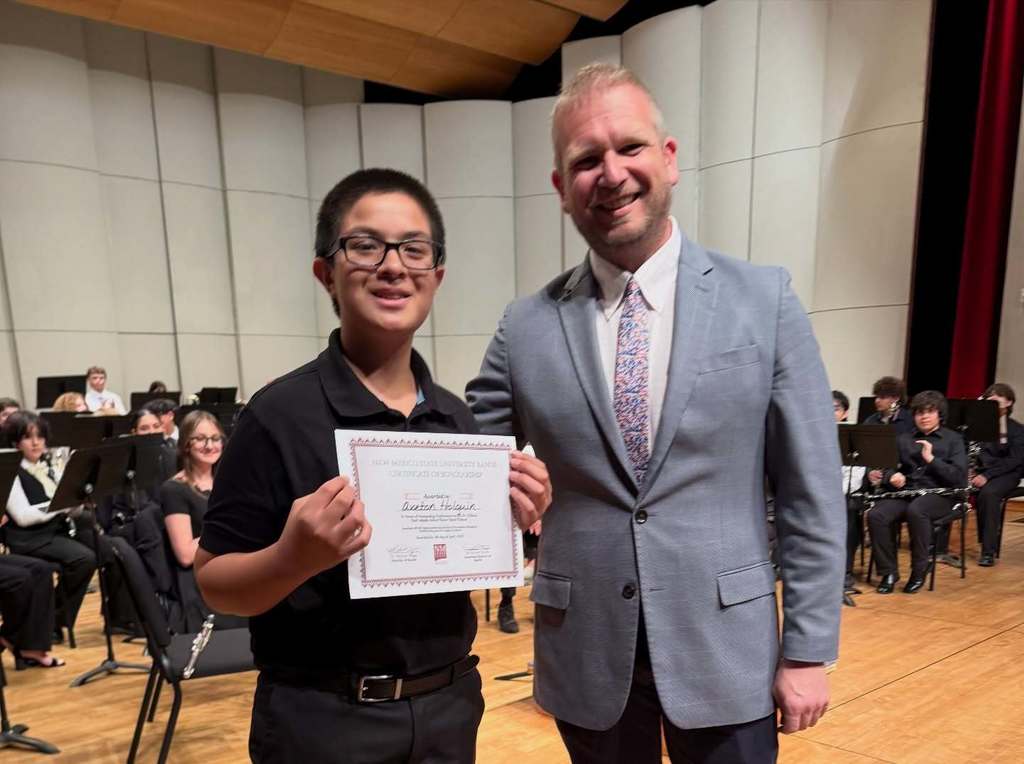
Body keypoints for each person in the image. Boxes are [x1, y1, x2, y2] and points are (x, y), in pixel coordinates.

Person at [466, 64, 844, 763]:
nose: (610, 174)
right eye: (585, 160)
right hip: (586, 651)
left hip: (729, 650)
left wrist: (809, 649)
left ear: (668, 159)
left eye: (629, 147)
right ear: (561, 188)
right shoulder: (524, 327)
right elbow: (467, 460)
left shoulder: (765, 299)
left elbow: (812, 492)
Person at [193, 169, 552, 763]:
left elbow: (461, 563)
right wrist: (292, 559)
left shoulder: (459, 424)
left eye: (414, 249)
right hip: (324, 720)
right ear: (325, 271)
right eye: (365, 245)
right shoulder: (277, 415)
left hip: (450, 708)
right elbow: (214, 581)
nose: (393, 265)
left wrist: (521, 520)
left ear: (436, 276)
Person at [1, 411, 96, 637]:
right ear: (16, 442)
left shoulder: (48, 464)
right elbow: (23, 517)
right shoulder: (11, 470)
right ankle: (54, 620)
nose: (36, 442)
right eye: (28, 437)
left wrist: (77, 501)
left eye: (40, 436)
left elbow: (63, 504)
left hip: (54, 532)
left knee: (105, 549)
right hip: (29, 538)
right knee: (84, 559)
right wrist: (62, 505)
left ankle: (54, 619)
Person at [866, 390, 967, 594]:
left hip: (942, 496)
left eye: (930, 412)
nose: (924, 416)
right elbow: (887, 467)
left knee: (917, 510)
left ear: (939, 414)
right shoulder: (903, 438)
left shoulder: (953, 439)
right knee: (877, 514)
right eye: (920, 412)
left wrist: (931, 459)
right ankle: (888, 573)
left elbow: (958, 477)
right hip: (908, 493)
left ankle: (919, 571)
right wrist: (891, 476)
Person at [159, 410, 240, 632]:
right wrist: (230, 528)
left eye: (215, 438)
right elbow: (185, 554)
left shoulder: (228, 482)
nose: (210, 445)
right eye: (201, 439)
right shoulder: (174, 489)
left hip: (235, 567)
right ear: (186, 444)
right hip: (203, 580)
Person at [971, 383, 1024, 566]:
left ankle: (988, 551)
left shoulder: (1017, 429)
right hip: (984, 472)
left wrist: (987, 475)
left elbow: (1014, 460)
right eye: (989, 398)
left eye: (996, 398)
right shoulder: (981, 427)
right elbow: (974, 452)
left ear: (1008, 402)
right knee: (952, 485)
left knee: (989, 493)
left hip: (1008, 474)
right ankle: (938, 548)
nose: (991, 401)